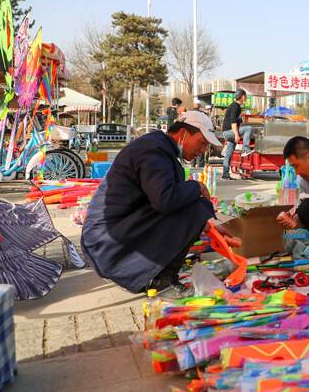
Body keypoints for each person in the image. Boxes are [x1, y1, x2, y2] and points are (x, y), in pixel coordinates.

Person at [80, 111, 240, 299]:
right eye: (202, 143)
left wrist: (206, 226)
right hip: (105, 243)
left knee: (194, 204)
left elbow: (168, 200)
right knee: (197, 204)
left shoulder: (162, 150)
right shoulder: (152, 150)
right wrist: (197, 186)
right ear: (183, 134)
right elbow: (166, 201)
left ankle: (148, 275)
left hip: (113, 238)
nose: (202, 150)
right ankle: (163, 282)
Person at [222, 89, 253, 180]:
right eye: (246, 97)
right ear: (243, 96)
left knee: (229, 154)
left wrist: (242, 132)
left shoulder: (236, 107)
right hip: (229, 132)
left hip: (228, 132)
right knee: (249, 128)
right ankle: (245, 149)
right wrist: (237, 135)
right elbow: (233, 122)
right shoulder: (235, 106)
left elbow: (240, 123)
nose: (246, 99)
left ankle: (225, 174)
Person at [190, 100, 207, 168]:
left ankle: (192, 163)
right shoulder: (203, 114)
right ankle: (200, 163)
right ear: (199, 106)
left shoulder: (189, 113)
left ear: (193, 105)